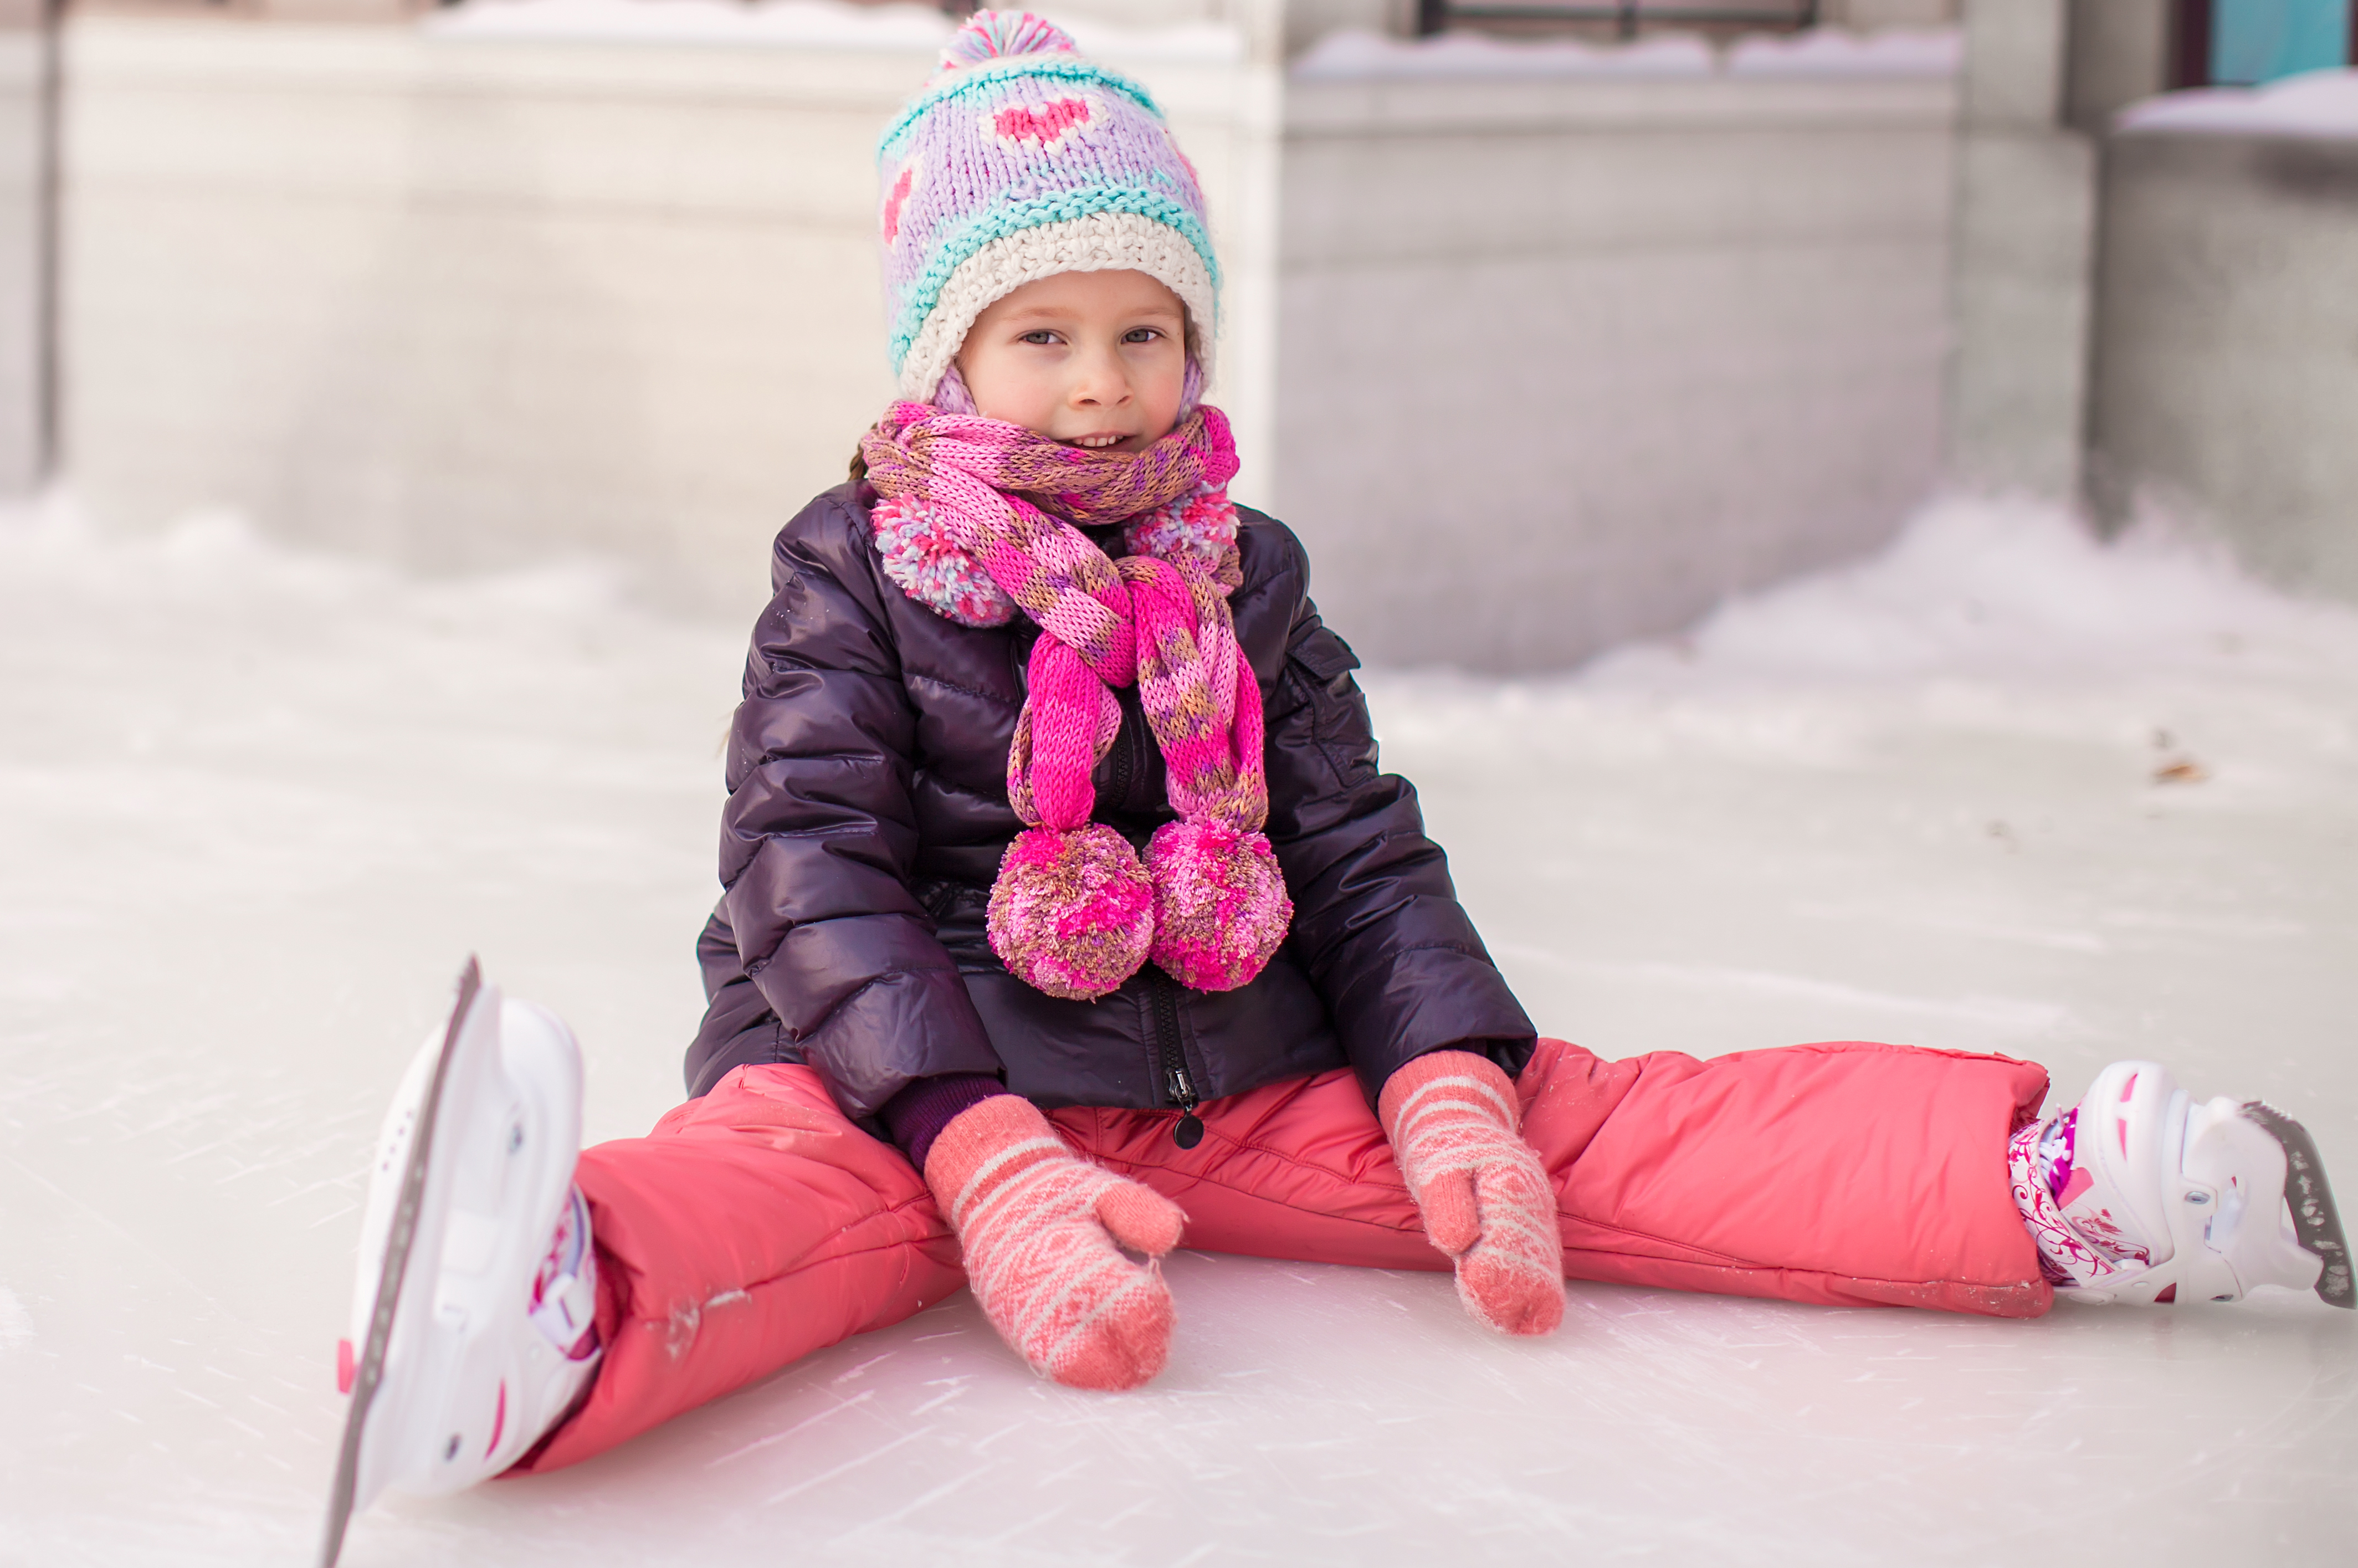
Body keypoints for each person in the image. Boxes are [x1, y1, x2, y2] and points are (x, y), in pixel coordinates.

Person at [324, 9, 2352, 1538]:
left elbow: (1358, 853)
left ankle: (2053, 1194)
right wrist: (973, 1145)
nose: (1103, 381)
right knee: (766, 1214)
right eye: (1042, 336)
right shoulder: (849, 570)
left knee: (1583, 1133)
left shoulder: (1242, 568)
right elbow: (807, 875)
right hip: (903, 1085)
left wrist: (1447, 1078)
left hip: (1228, 1067)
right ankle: (544, 1321)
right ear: (945, 355)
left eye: (1145, 330)